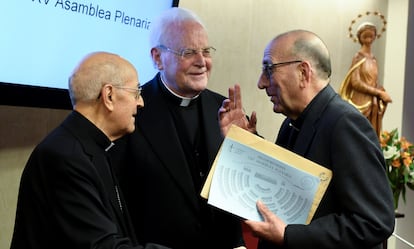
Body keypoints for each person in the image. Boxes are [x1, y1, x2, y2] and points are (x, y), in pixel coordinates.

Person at [219, 30, 395, 249]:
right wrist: (247, 143)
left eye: (269, 69)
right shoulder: (292, 123)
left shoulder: (345, 124)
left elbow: (374, 221)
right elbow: (283, 188)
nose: (261, 83)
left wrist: (290, 236)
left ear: (303, 72)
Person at [110, 7, 255, 249]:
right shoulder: (132, 111)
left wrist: (245, 146)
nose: (202, 62)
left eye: (206, 51)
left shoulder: (225, 108)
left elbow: (253, 189)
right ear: (157, 58)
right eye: (188, 52)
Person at [10, 52, 170, 249]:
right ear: (109, 95)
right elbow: (100, 245)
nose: (141, 102)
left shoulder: (90, 147)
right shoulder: (65, 157)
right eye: (136, 92)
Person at [339, 22, 392, 137]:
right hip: (359, 101)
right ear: (359, 37)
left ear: (374, 37)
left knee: (371, 136)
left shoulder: (373, 59)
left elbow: (373, 81)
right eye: (365, 36)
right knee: (359, 134)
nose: (368, 39)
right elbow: (355, 82)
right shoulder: (358, 57)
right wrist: (379, 93)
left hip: (373, 103)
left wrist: (381, 92)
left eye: (371, 35)